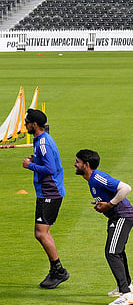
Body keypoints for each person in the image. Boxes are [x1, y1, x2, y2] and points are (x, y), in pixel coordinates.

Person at [74, 149, 133, 305]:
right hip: (117, 216)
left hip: (122, 216)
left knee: (112, 252)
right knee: (118, 251)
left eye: (77, 162)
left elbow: (126, 188)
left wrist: (110, 204)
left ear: (86, 165)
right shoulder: (91, 180)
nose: (75, 164)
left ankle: (126, 294)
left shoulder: (98, 177)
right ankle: (127, 285)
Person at [22, 109, 68, 289]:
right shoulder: (41, 141)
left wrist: (30, 165)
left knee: (41, 233)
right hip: (47, 192)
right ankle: (56, 270)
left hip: (50, 193)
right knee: (42, 233)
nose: (25, 126)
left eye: (27, 122)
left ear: (34, 124)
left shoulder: (43, 143)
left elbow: (50, 168)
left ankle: (59, 270)